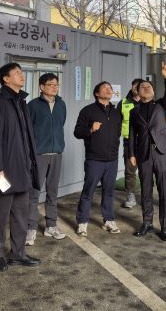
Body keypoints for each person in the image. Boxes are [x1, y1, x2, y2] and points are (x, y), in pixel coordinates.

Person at [0, 62, 41, 272]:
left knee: (21, 214)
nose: (21, 75)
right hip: (5, 171)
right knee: (1, 214)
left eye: (21, 71)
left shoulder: (21, 102)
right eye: (16, 72)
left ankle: (18, 254)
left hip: (23, 168)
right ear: (6, 79)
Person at [128, 63, 166, 241]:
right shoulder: (134, 111)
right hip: (144, 155)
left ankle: (165, 227)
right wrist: (131, 154)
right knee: (146, 190)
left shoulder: (161, 105)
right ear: (137, 92)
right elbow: (132, 134)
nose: (146, 88)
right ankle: (147, 223)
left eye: (149, 86)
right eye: (142, 87)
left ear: (153, 91)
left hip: (161, 153)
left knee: (164, 191)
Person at [73, 81, 122, 237]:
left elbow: (118, 133)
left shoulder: (116, 113)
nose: (109, 90)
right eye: (105, 88)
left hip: (112, 159)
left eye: (110, 88)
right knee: (88, 191)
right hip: (94, 159)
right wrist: (90, 129)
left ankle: (109, 220)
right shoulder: (88, 111)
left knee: (109, 191)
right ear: (97, 93)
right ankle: (82, 222)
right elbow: (77, 132)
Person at [26, 73, 67, 245]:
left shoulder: (61, 104)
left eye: (56, 84)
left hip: (56, 154)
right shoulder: (32, 105)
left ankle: (51, 226)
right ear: (42, 87)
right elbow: (27, 130)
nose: (54, 87)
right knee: (33, 193)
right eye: (50, 84)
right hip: (39, 156)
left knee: (52, 192)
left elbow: (60, 124)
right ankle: (30, 228)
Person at [117, 78, 144, 209]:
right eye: (135, 86)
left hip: (145, 141)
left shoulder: (149, 102)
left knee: (146, 170)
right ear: (131, 87)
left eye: (140, 86)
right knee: (130, 171)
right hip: (129, 142)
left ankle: (146, 195)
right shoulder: (123, 103)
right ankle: (130, 196)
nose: (137, 88)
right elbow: (116, 123)